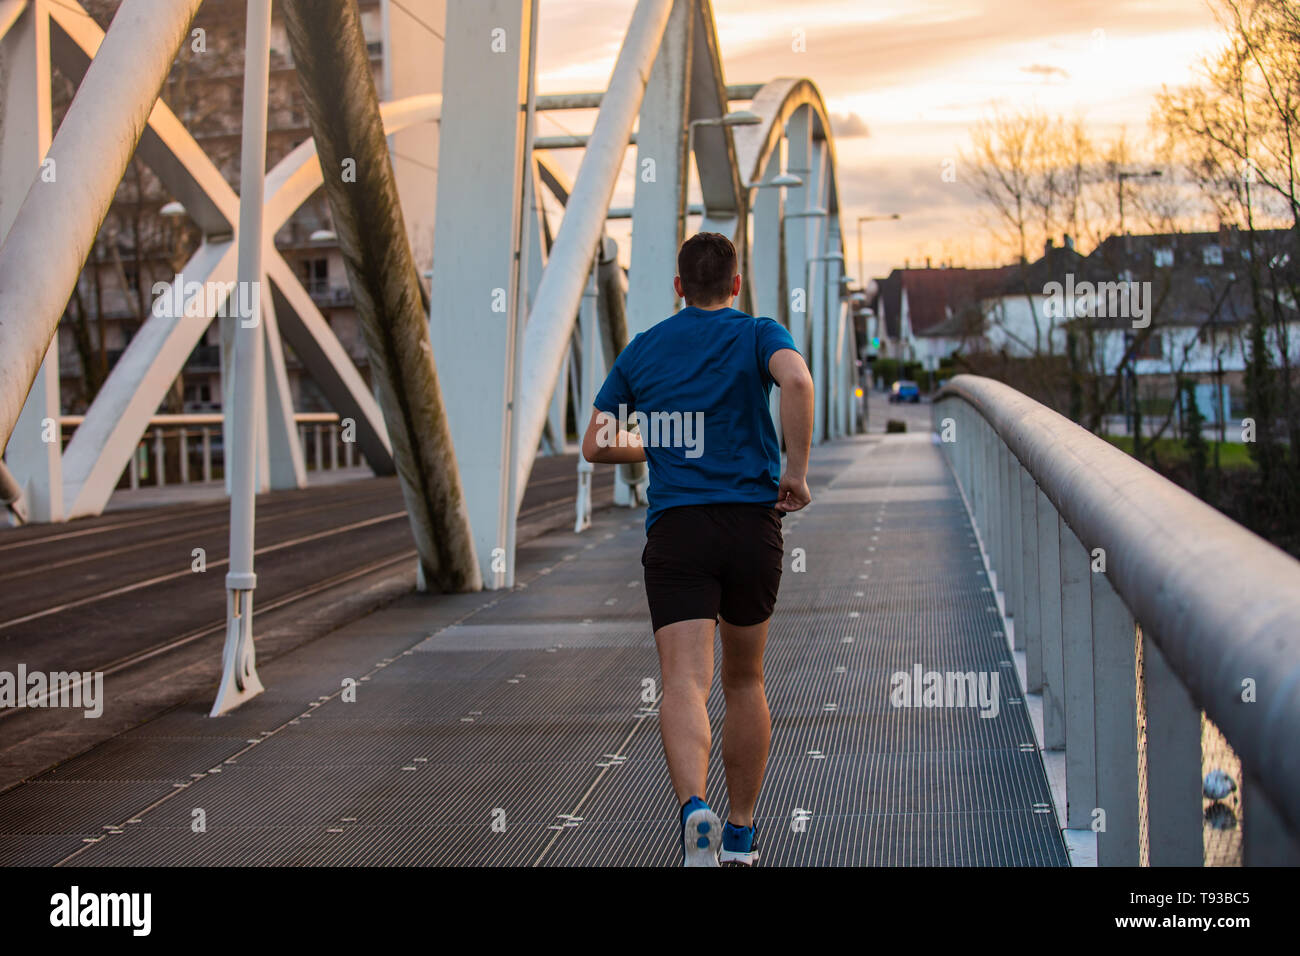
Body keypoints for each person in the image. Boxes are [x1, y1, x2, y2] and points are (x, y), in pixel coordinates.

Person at [581, 232, 814, 867]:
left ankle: (694, 811)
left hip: (678, 530)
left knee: (683, 678)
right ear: (735, 285)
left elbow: (597, 444)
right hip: (750, 526)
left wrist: (658, 445)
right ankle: (739, 833)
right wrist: (795, 472)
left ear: (678, 287)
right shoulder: (758, 331)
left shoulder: (645, 348)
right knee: (745, 678)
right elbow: (796, 381)